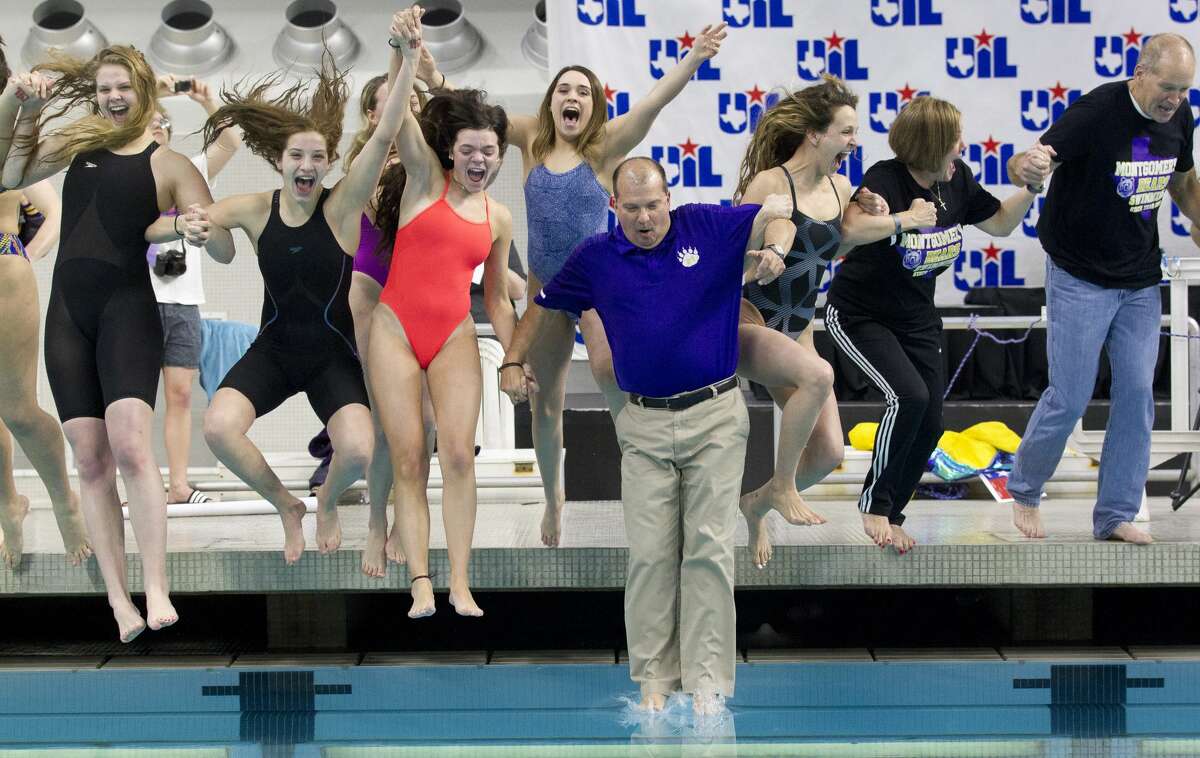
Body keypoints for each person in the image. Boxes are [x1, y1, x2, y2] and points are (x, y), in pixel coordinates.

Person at [500, 157, 789, 715]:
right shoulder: (596, 257)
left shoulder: (706, 225)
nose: (644, 217)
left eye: (653, 205)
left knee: (707, 551)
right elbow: (542, 306)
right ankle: (655, 682)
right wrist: (512, 359)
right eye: (631, 208)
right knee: (651, 556)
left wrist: (775, 246)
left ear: (669, 198)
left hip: (715, 416)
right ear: (614, 208)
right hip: (644, 424)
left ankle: (706, 684)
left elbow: (776, 215)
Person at [1, 46, 232, 642]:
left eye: (122, 87)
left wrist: (197, 227)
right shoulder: (76, 146)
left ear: (144, 92)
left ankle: (155, 584)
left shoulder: (172, 162)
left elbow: (220, 237)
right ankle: (117, 600)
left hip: (129, 310)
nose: (112, 98)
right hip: (67, 317)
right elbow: (7, 174)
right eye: (103, 88)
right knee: (89, 458)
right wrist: (22, 109)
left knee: (131, 447)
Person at [202, 10, 423, 565]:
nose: (307, 165)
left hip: (332, 355)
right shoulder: (255, 209)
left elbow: (387, 129)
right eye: (297, 156)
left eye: (318, 157)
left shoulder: (343, 205)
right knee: (219, 428)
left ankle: (324, 500)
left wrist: (408, 58)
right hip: (274, 351)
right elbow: (191, 216)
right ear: (278, 160)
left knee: (356, 448)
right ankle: (286, 505)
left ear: (329, 164)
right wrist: (192, 228)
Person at [505, 23, 727, 548]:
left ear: (594, 106)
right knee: (546, 404)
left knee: (614, 377)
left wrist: (693, 58)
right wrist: (430, 74)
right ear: (550, 102)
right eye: (564, 89)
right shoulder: (529, 142)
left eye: (583, 91)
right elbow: (476, 121)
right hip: (544, 293)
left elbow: (652, 103)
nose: (572, 97)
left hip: (595, 289)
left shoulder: (602, 149)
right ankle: (551, 497)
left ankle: (648, 482)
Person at [826, 96, 1050, 552]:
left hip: (918, 319)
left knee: (930, 421)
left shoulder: (957, 182)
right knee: (908, 396)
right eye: (954, 142)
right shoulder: (884, 179)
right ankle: (875, 503)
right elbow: (846, 235)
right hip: (859, 313)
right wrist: (902, 219)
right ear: (930, 147)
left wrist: (1030, 189)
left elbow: (1002, 225)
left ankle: (893, 512)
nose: (962, 148)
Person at [1006, 33, 1200, 544]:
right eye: (1167, 87)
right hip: (1079, 275)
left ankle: (1115, 513)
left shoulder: (1180, 118)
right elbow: (1027, 163)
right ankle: (1024, 487)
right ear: (1140, 73)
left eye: (1184, 90)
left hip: (1138, 277)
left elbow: (1182, 182)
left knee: (1137, 395)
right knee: (1070, 396)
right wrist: (1029, 168)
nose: (1174, 100)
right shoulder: (1096, 112)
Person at [367, 26, 518, 619]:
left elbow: (499, 301)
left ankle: (459, 580)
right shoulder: (425, 178)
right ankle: (421, 580)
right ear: (450, 150)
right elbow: (398, 112)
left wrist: (513, 358)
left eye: (490, 151)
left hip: (455, 330)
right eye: (470, 149)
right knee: (408, 455)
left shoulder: (497, 216)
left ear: (499, 155)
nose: (479, 160)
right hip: (394, 330)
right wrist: (400, 52)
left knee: (458, 455)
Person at [732, 76, 889, 568]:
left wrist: (878, 215)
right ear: (815, 134)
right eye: (846, 131)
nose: (854, 141)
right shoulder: (770, 183)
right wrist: (764, 252)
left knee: (827, 453)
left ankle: (756, 504)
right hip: (749, 320)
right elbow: (725, 260)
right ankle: (781, 487)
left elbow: (831, 248)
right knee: (817, 376)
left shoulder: (843, 189)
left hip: (799, 330)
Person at [0, 37, 92, 570]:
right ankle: (8, 503)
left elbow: (49, 205)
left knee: (16, 408)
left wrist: (21, 98)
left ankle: (62, 497)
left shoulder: (11, 118)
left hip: (3, 267)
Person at [146, 75, 244, 506]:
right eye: (145, 123)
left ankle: (179, 485)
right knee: (131, 398)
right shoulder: (123, 176)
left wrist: (207, 101)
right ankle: (135, 486)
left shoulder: (188, 171)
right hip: (137, 301)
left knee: (181, 394)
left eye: (160, 124)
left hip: (182, 301)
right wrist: (152, 95)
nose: (153, 130)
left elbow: (230, 141)